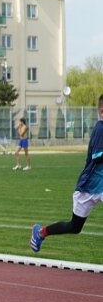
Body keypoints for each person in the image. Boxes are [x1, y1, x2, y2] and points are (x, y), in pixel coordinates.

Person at [30, 94, 103, 253]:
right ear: (102, 111)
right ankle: (41, 232)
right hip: (89, 187)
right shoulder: (100, 129)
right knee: (75, 227)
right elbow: (97, 156)